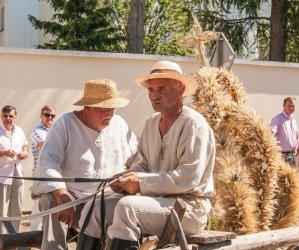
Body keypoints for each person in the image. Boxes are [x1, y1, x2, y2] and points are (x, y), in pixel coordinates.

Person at [79, 61, 216, 250]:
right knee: (94, 208)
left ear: (180, 90)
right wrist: (123, 177)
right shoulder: (151, 123)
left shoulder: (194, 124)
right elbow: (143, 164)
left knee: (127, 208)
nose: (154, 95)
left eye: (161, 89)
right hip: (155, 202)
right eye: (151, 90)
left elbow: (188, 178)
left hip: (189, 208)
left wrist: (140, 182)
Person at [31, 79, 138, 250]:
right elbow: (48, 162)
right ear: (87, 108)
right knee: (50, 199)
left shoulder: (119, 124)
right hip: (72, 199)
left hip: (107, 198)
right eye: (104, 109)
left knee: (130, 203)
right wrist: (62, 194)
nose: (110, 113)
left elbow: (138, 154)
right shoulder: (65, 124)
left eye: (112, 108)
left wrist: (130, 177)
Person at [0, 105, 29, 233]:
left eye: (11, 116)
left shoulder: (20, 131)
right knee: (2, 210)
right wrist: (3, 152)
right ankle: (1, 240)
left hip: (18, 173)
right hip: (2, 175)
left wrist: (25, 153)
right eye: (5, 116)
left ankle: (14, 239)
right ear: (1, 117)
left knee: (16, 208)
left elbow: (25, 148)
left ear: (15, 117)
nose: (8, 119)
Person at [30, 105, 56, 231]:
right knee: (38, 204)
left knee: (50, 203)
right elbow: (46, 147)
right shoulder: (38, 130)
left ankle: (45, 234)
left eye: (52, 115)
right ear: (41, 116)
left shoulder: (54, 131)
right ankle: (34, 235)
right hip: (40, 173)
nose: (50, 117)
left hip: (53, 172)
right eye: (47, 115)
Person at [271, 96, 299, 166]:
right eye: (289, 106)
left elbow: (297, 137)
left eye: (293, 106)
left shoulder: (293, 120)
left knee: (291, 176)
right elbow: (270, 134)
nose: (291, 108)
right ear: (284, 106)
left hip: (293, 155)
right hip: (283, 156)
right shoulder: (278, 119)